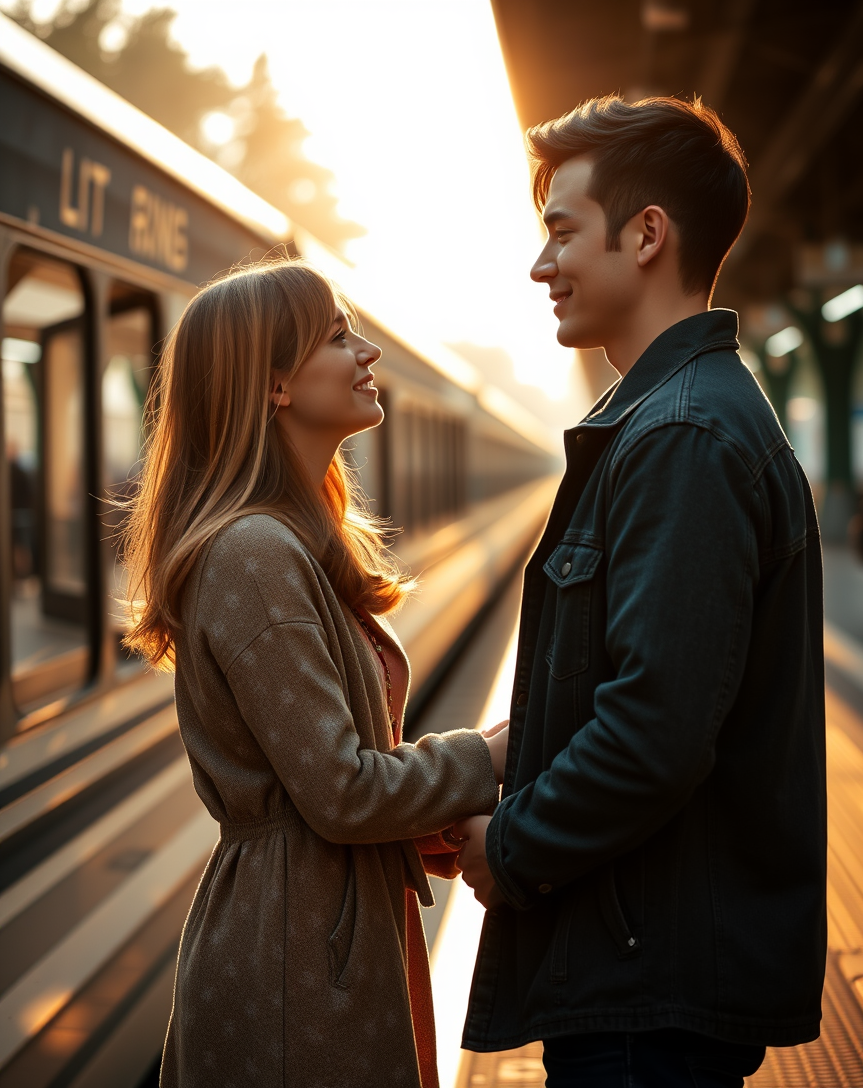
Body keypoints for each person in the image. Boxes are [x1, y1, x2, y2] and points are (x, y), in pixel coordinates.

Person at [454, 95, 826, 1087]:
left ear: (646, 234)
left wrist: (512, 845)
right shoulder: (672, 422)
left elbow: (654, 725)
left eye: (560, 231)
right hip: (646, 958)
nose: (540, 265)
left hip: (643, 979)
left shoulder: (679, 439)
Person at [121, 258, 508, 1088]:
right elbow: (339, 790)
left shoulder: (283, 543)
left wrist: (420, 828)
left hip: (316, 928)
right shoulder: (254, 554)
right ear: (274, 386)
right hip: (295, 960)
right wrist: (491, 754)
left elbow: (320, 784)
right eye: (338, 336)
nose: (366, 352)